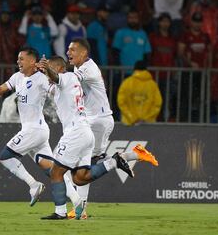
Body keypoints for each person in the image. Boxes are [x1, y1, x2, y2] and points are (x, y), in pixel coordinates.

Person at [37, 55, 158, 220]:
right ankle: (125, 158)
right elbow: (49, 85)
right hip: (88, 129)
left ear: (59, 69)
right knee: (82, 174)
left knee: (56, 170)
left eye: (50, 68)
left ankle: (68, 209)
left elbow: (55, 79)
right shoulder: (65, 82)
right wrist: (39, 71)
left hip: (81, 129)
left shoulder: (68, 77)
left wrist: (46, 70)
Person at [0, 47, 80, 208]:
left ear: (32, 61)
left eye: (21, 59)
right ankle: (76, 199)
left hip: (34, 130)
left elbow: (57, 89)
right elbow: (3, 88)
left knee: (5, 157)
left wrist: (49, 71)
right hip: (37, 131)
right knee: (52, 171)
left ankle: (33, 185)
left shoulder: (41, 78)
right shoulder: (17, 77)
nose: (18, 62)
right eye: (18, 59)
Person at [117, 61, 162, 125]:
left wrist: (131, 117)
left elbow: (121, 102)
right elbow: (157, 104)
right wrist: (147, 118)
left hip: (129, 123)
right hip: (148, 124)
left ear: (134, 69)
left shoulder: (126, 83)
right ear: (146, 70)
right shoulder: (152, 85)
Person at [112, 9, 151, 74]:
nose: (133, 20)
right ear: (127, 19)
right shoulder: (120, 32)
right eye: (130, 18)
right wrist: (118, 68)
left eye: (135, 18)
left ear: (138, 19)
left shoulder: (143, 34)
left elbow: (147, 53)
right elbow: (115, 52)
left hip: (139, 72)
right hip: (123, 71)